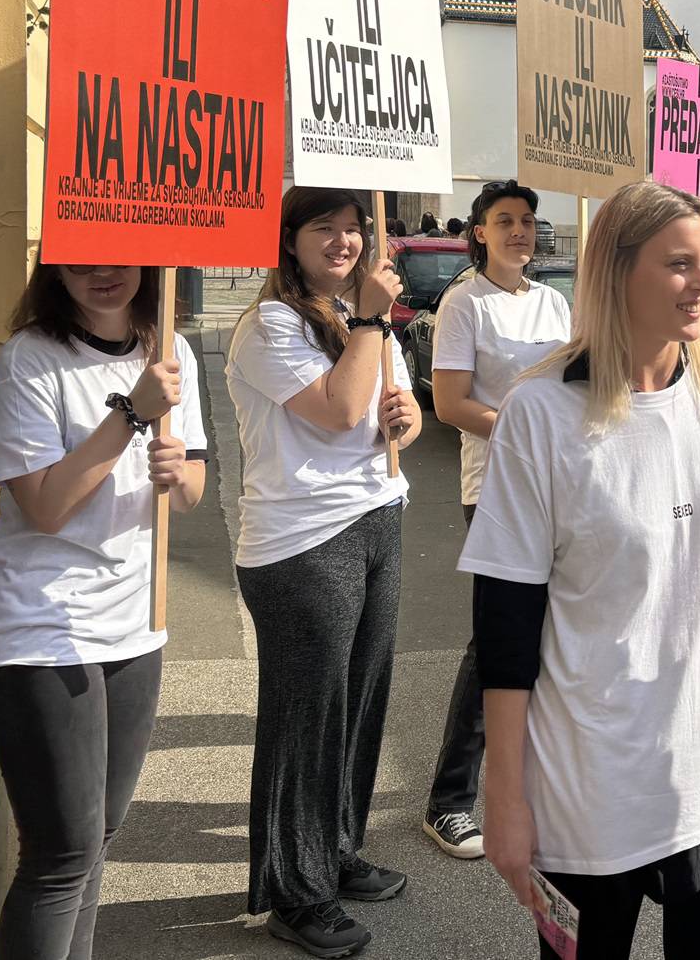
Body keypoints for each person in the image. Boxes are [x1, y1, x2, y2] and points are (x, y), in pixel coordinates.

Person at [463, 181, 700, 960]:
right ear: (618, 272)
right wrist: (504, 795)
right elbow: (505, 621)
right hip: (591, 781)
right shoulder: (541, 413)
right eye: (679, 265)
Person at [0, 261, 207, 960]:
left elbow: (190, 487)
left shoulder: (171, 351)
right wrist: (129, 416)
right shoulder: (30, 358)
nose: (101, 273)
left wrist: (177, 474)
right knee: (61, 851)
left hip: (132, 623)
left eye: (116, 256)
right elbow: (43, 507)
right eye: (81, 258)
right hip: (37, 627)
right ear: (54, 266)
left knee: (94, 839)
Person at [226, 188, 421, 958]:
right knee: (307, 717)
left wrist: (402, 415)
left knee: (360, 700)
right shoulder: (267, 324)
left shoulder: (357, 318)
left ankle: (333, 850)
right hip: (302, 542)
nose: (343, 241)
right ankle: (293, 892)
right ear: (289, 240)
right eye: (323, 228)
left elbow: (383, 409)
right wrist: (372, 321)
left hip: (379, 517)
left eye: (352, 228)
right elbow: (339, 412)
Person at [422, 179, 573, 861]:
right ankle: (449, 801)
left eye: (528, 220)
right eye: (504, 220)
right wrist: (522, 433)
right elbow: (451, 403)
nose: (520, 230)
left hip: (560, 486)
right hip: (495, 487)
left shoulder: (553, 301)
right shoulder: (465, 302)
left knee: (554, 634)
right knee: (498, 639)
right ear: (478, 232)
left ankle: (532, 783)